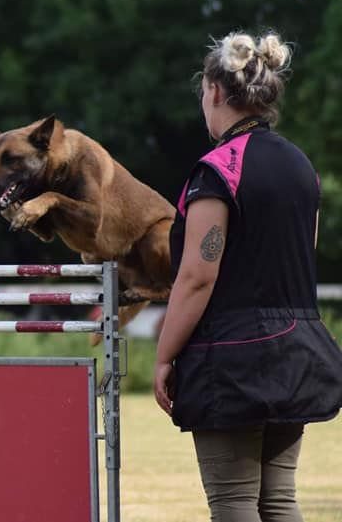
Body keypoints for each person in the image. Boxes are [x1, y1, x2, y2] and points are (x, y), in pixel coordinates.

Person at [153, 31, 342, 522]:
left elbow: (197, 276)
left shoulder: (216, 171)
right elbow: (306, 249)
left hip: (235, 362)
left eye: (202, 93)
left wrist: (164, 355)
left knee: (234, 502)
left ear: (215, 91)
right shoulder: (303, 168)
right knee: (279, 501)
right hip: (299, 350)